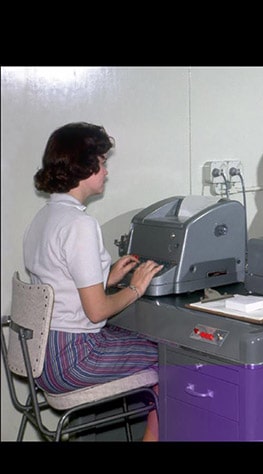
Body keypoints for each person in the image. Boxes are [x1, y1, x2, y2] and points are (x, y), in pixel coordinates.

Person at [23, 122, 164, 440]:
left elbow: (60, 282)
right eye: (102, 162)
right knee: (173, 356)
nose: (106, 171)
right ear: (84, 166)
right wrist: (135, 287)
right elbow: (97, 312)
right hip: (75, 359)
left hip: (45, 358)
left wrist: (108, 275)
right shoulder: (79, 224)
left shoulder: (45, 217)